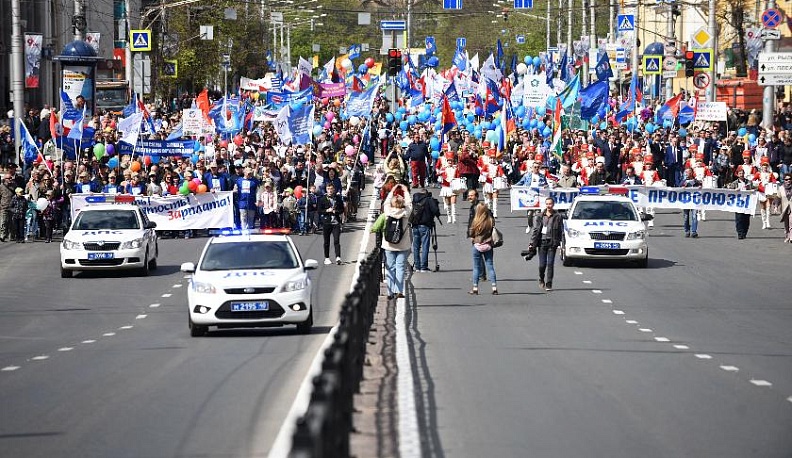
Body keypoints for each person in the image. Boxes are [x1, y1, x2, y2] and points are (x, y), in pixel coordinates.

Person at [376, 187, 412, 299]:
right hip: (403, 245)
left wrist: (392, 191)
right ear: (403, 203)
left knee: (390, 268)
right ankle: (399, 290)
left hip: (388, 244)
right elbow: (410, 204)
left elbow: (386, 202)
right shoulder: (406, 213)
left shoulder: (388, 212)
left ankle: (390, 292)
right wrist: (405, 191)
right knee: (400, 267)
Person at [530, 197, 564, 291]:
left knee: (550, 264)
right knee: (542, 265)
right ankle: (541, 278)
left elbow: (561, 231)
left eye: (550, 204)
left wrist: (561, 244)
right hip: (542, 243)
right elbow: (536, 230)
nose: (548, 206)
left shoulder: (558, 216)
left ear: (553, 204)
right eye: (547, 204)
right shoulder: (540, 216)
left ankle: (549, 283)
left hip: (552, 243)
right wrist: (532, 243)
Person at [467, 203, 498, 295]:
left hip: (477, 245)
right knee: (490, 267)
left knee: (476, 267)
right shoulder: (491, 220)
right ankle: (494, 287)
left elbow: (471, 233)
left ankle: (475, 287)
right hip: (488, 245)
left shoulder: (475, 221)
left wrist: (473, 238)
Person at [411, 187, 441, 273]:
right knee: (425, 246)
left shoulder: (415, 200)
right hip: (425, 225)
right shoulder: (428, 200)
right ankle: (423, 266)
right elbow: (436, 211)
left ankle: (417, 266)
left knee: (416, 247)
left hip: (415, 225)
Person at [318, 182, 344, 265]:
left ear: (334, 189)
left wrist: (335, 211)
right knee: (326, 241)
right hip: (327, 222)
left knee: (336, 240)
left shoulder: (338, 198)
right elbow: (319, 210)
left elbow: (342, 209)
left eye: (331, 189)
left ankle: (338, 257)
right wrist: (326, 211)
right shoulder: (323, 199)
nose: (330, 190)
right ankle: (327, 257)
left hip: (336, 222)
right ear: (326, 189)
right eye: (328, 189)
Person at [727, 168, 754, 239]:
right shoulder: (734, 183)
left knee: (746, 219)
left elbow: (754, 189)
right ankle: (740, 233)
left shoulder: (749, 182)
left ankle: (745, 232)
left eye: (742, 173)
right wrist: (734, 190)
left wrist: (749, 188)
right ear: (737, 174)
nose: (741, 175)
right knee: (739, 219)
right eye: (740, 174)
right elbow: (729, 191)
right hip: (738, 203)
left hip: (747, 203)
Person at [681, 168, 701, 238]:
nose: (687, 174)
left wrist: (699, 186)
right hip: (686, 201)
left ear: (692, 173)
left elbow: (701, 186)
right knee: (686, 217)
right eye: (686, 172)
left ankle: (694, 231)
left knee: (694, 216)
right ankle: (687, 231)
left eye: (688, 172)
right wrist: (683, 186)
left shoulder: (696, 181)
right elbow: (679, 188)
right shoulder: (683, 181)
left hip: (694, 201)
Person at [780, 173, 792, 243]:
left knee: (791, 222)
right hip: (784, 208)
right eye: (786, 179)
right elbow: (777, 197)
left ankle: (791, 237)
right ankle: (787, 236)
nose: (788, 181)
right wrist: (775, 206)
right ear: (784, 180)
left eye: (790, 179)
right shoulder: (781, 188)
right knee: (786, 223)